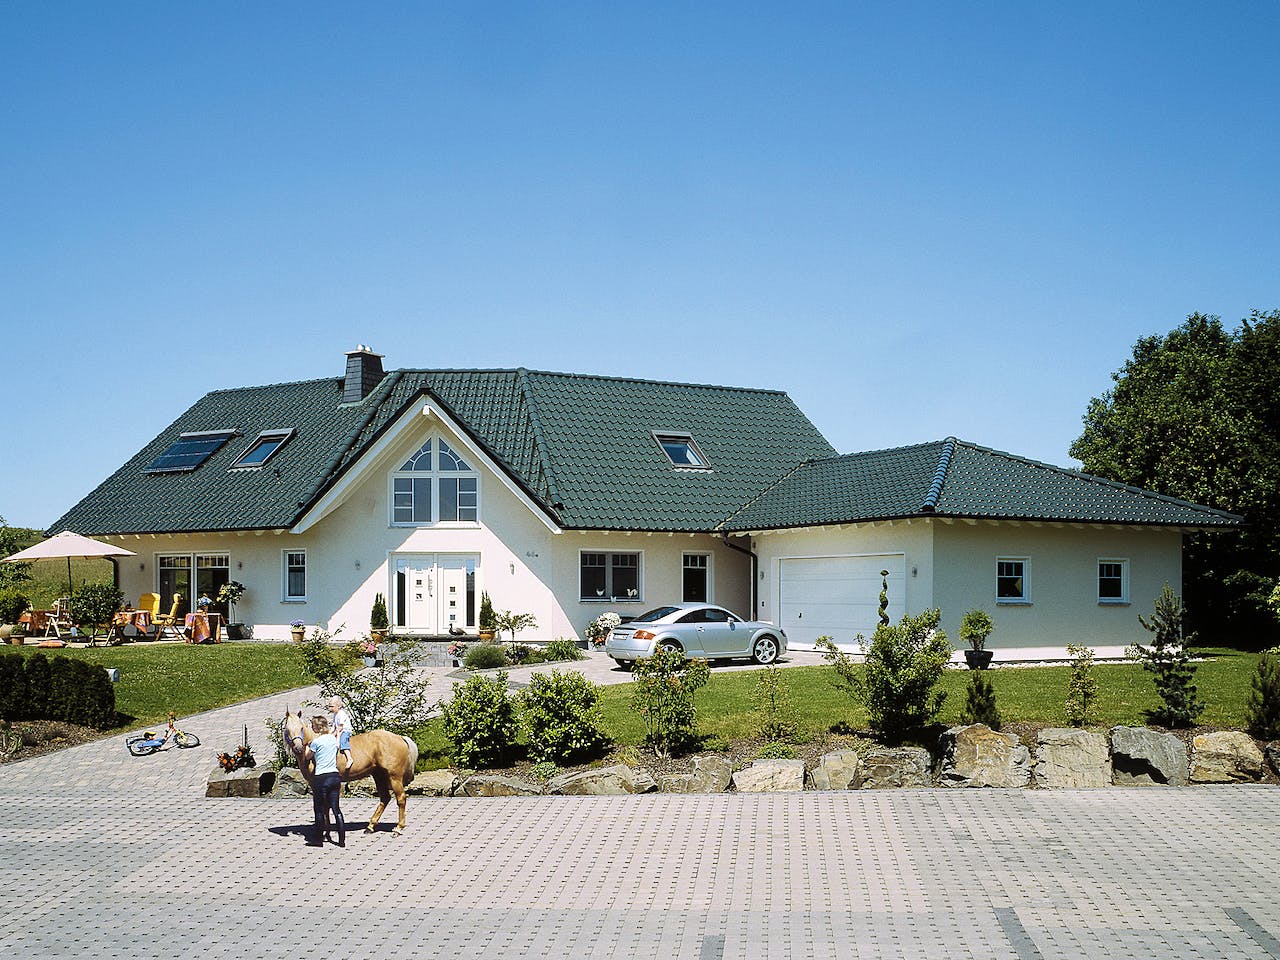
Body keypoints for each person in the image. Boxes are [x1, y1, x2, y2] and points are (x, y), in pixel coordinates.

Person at [304, 715, 344, 848]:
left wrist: (306, 747)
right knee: (336, 809)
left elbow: (308, 756)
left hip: (321, 778)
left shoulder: (316, 742)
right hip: (335, 777)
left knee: (319, 809)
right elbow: (337, 746)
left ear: (317, 728)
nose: (312, 728)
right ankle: (341, 840)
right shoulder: (332, 739)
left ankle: (318, 839)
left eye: (313, 726)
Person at [328, 696, 354, 770]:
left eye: (332, 706)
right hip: (339, 730)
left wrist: (334, 734)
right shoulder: (335, 714)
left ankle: (349, 758)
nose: (330, 708)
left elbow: (340, 727)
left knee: (342, 741)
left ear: (338, 706)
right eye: (330, 706)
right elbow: (333, 726)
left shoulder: (341, 714)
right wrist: (328, 734)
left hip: (345, 730)